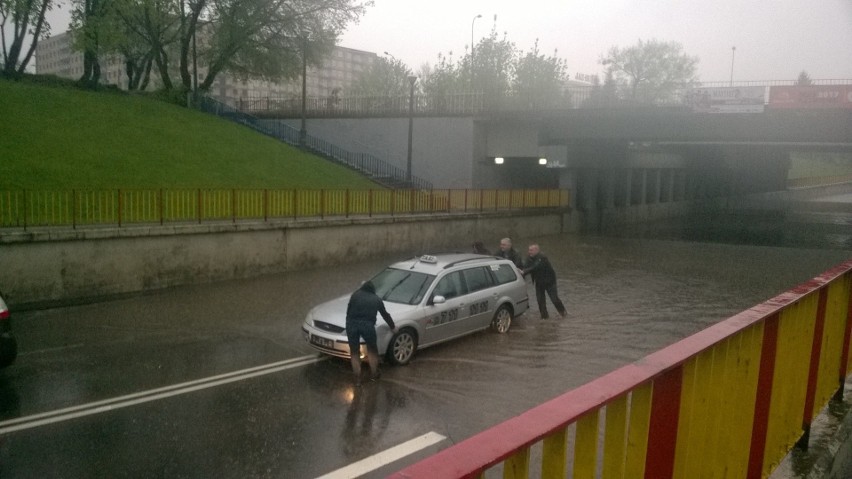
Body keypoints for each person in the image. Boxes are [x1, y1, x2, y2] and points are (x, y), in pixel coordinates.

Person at [345, 281, 397, 384]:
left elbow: (348, 311)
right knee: (372, 350)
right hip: (367, 326)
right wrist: (393, 327)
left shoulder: (355, 295)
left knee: (354, 352)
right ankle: (374, 374)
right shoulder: (377, 299)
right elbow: (385, 314)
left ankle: (357, 379)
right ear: (373, 289)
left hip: (352, 324)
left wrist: (350, 322)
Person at [522, 243, 567, 319]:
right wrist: (521, 272)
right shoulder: (529, 258)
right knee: (540, 301)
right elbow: (525, 267)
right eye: (529, 250)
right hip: (539, 282)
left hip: (549, 282)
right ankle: (544, 317)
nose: (529, 252)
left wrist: (524, 272)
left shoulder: (542, 257)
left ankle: (563, 313)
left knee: (554, 299)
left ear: (537, 250)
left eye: (531, 250)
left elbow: (535, 267)